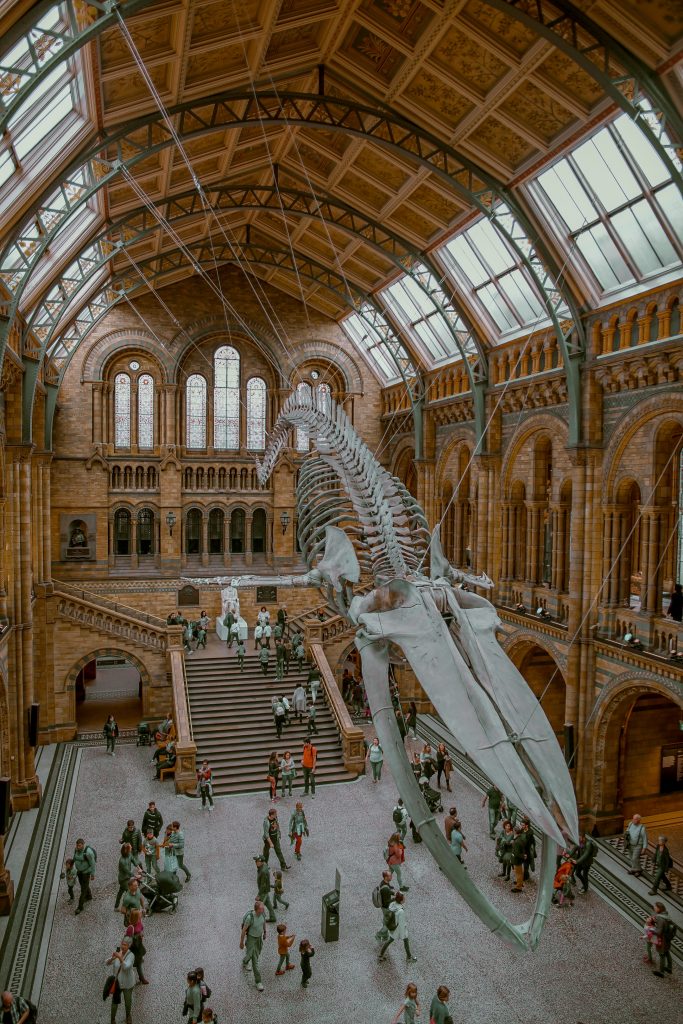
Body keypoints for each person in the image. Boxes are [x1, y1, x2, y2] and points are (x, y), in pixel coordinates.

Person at [378, 891, 417, 963]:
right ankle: (409, 957)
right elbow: (401, 924)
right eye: (404, 898)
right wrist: (403, 935)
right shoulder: (401, 911)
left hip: (392, 926)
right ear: (401, 900)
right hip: (398, 928)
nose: (405, 899)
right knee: (405, 940)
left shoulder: (392, 905)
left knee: (390, 940)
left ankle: (381, 955)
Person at [106, 937, 136, 1024]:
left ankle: (128, 1016)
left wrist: (120, 958)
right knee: (114, 1003)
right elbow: (107, 963)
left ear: (129, 946)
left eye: (125, 945)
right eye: (122, 944)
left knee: (128, 1002)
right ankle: (112, 1019)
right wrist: (112, 958)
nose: (123, 946)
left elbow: (126, 967)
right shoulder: (119, 953)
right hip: (117, 983)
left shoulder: (131, 955)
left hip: (128, 983)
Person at [240, 899, 267, 992]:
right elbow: (244, 930)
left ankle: (245, 961)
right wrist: (241, 942)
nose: (263, 909)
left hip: (259, 939)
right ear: (257, 910)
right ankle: (258, 982)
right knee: (255, 960)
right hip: (251, 939)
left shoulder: (262, 914)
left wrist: (265, 932)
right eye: (261, 908)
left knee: (252, 955)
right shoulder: (250, 918)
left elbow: (263, 922)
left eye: (263, 908)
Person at [124, 907, 147, 984]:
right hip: (133, 948)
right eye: (139, 915)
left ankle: (141, 977)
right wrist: (138, 936)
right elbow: (128, 938)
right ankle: (141, 978)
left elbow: (141, 929)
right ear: (135, 917)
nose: (141, 916)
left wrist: (141, 934)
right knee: (137, 963)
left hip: (139, 945)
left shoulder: (139, 922)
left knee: (139, 962)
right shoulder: (130, 928)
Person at [73, 837, 96, 915]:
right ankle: (89, 896)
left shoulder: (88, 853)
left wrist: (92, 874)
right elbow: (74, 857)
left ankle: (80, 907)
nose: (77, 847)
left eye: (79, 846)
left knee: (83, 890)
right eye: (77, 845)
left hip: (86, 873)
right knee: (84, 886)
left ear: (83, 845)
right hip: (79, 872)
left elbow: (93, 864)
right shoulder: (76, 849)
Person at [652, 901, 674, 977]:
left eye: (655, 907)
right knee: (667, 951)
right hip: (667, 937)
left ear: (659, 908)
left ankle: (661, 972)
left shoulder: (660, 918)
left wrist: (651, 930)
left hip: (662, 938)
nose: (654, 908)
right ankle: (669, 967)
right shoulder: (666, 915)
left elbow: (658, 932)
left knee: (662, 954)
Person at [114, 842, 138, 910]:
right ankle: (128, 907)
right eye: (130, 847)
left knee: (120, 892)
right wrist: (135, 876)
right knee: (129, 892)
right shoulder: (122, 861)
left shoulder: (129, 854)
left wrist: (139, 868)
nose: (131, 848)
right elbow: (128, 871)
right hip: (123, 879)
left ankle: (116, 906)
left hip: (127, 878)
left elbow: (133, 860)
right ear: (126, 850)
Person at [254, 854, 276, 922]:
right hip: (265, 890)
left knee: (260, 906)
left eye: (257, 861)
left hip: (263, 891)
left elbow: (263, 885)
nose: (256, 863)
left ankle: (259, 920)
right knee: (268, 904)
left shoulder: (263, 871)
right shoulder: (264, 865)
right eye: (256, 861)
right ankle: (273, 917)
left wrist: (259, 895)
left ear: (261, 862)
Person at [510, 825, 526, 893]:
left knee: (518, 873)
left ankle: (518, 887)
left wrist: (523, 856)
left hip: (517, 860)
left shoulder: (517, 842)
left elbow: (516, 853)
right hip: (519, 859)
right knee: (519, 872)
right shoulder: (520, 839)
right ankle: (520, 882)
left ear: (515, 832)